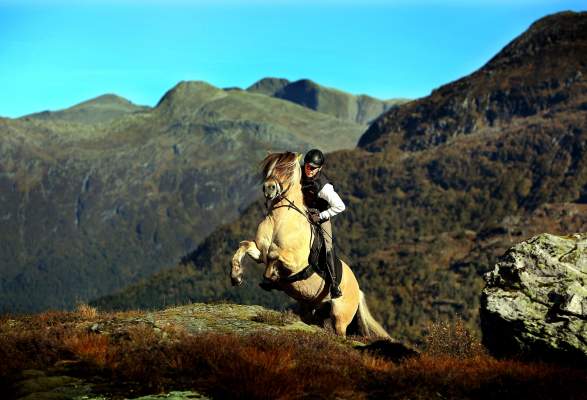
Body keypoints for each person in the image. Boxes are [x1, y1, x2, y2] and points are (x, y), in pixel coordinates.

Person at [301, 149, 346, 298]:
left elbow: (340, 206)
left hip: (320, 216)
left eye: (313, 168)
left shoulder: (324, 187)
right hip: (301, 211)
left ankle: (334, 284)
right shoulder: (299, 172)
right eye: (307, 166)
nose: (309, 170)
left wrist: (320, 216)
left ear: (319, 168)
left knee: (327, 245)